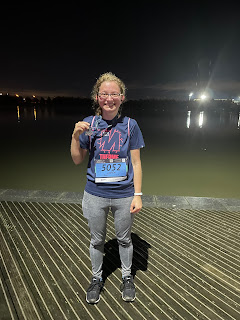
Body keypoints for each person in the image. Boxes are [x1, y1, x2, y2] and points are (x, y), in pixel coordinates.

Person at [71, 72, 145, 304]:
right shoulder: (89, 124)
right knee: (96, 240)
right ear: (97, 97)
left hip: (124, 195)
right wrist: (75, 136)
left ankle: (126, 277)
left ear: (122, 98)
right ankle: (96, 278)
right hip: (95, 194)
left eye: (114, 94)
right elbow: (77, 159)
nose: (109, 98)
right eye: (104, 94)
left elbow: (136, 162)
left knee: (124, 239)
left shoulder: (130, 125)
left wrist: (138, 195)